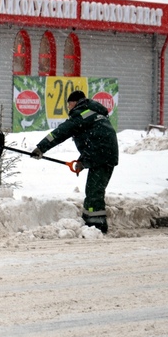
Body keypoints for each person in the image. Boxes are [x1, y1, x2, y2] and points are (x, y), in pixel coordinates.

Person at [31, 90, 118, 234]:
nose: (68, 108)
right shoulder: (93, 112)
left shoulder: (81, 114)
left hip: (101, 155)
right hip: (105, 153)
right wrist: (83, 161)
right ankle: (90, 222)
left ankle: (97, 226)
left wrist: (41, 147)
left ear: (74, 102)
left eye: (69, 104)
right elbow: (95, 139)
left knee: (94, 191)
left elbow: (61, 132)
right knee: (93, 189)